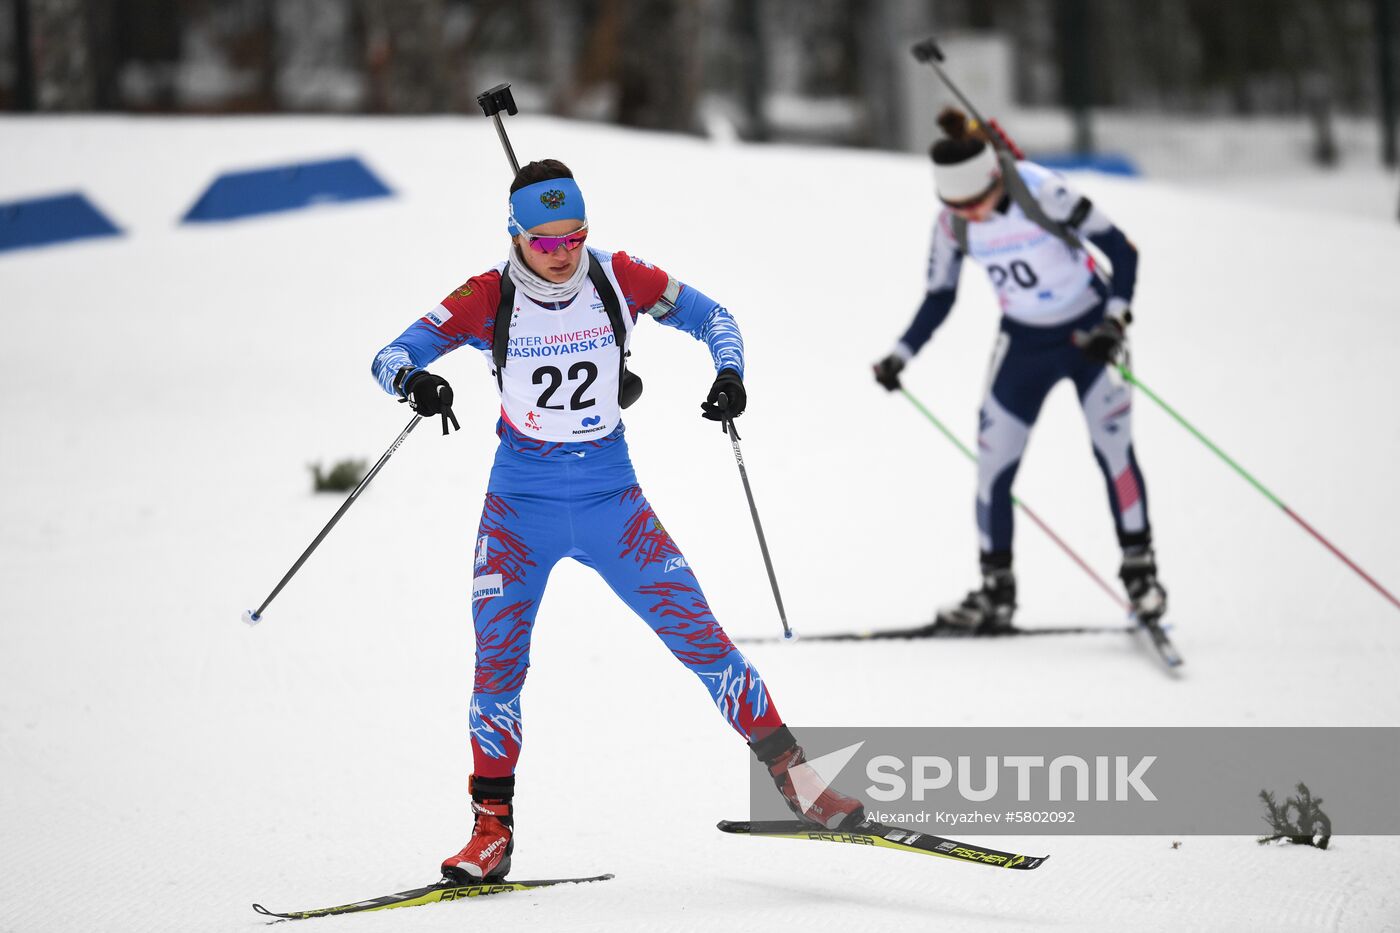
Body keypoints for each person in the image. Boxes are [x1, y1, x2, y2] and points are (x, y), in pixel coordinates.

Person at [372, 158, 862, 883]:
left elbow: (714, 317)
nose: (563, 254)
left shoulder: (617, 275)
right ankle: (490, 830)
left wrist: (729, 374)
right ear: (515, 236)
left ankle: (797, 781)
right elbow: (391, 354)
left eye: (575, 236)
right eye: (545, 242)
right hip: (519, 510)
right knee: (498, 666)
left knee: (703, 638)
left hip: (613, 503)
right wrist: (417, 380)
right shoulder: (485, 296)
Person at [873, 109, 1167, 634]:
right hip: (1024, 344)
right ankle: (996, 591)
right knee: (993, 468)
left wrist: (1115, 319)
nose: (974, 216)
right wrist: (901, 354)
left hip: (1088, 336)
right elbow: (939, 297)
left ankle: (1141, 576)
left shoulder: (1043, 192)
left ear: (994, 178)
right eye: (958, 206)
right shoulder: (953, 223)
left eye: (978, 202)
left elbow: (1123, 251)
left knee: (1114, 454)